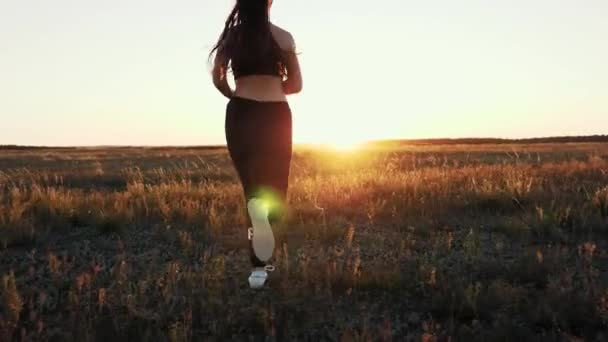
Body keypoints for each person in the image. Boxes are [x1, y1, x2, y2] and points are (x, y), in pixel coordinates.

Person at [209, 0, 303, 288]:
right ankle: (261, 261)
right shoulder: (283, 37)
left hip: (241, 113)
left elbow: (218, 74)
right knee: (273, 193)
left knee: (253, 192)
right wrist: (279, 85)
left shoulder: (232, 36)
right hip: (276, 114)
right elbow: (297, 84)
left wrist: (233, 93)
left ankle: (257, 272)